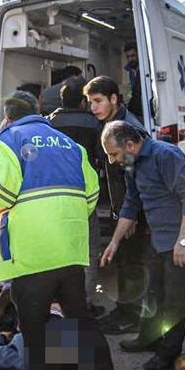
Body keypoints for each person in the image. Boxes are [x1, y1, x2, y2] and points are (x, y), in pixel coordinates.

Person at [0, 91, 127, 370]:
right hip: (70, 250)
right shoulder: (68, 144)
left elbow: (0, 195)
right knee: (82, 322)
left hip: (33, 253)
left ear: (8, 117)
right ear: (40, 113)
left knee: (33, 330)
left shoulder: (4, 141)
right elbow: (92, 195)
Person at [101, 119, 185, 370]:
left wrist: (183, 241)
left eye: (114, 154)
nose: (113, 161)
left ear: (130, 144)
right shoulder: (131, 162)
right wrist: (114, 242)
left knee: (174, 299)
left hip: (184, 237)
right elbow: (131, 202)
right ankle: (148, 339)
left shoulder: (165, 155)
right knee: (151, 291)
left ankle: (168, 354)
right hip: (160, 238)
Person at [85, 76, 151, 338]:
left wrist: (130, 213)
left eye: (98, 101)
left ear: (114, 99)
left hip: (132, 209)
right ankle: (125, 312)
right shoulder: (111, 124)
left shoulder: (126, 129)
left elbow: (134, 175)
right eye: (90, 102)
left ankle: (131, 317)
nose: (93, 108)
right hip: (122, 207)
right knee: (125, 261)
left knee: (132, 263)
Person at [47, 75, 106, 315]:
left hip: (51, 198)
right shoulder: (93, 124)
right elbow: (103, 159)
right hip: (82, 197)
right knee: (89, 251)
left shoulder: (48, 123)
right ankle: (85, 303)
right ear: (83, 101)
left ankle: (56, 303)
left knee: (57, 250)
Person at [123, 42, 145, 123]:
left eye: (133, 56)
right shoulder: (127, 71)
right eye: (128, 57)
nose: (130, 59)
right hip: (134, 108)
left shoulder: (145, 69)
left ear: (138, 54)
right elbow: (129, 90)